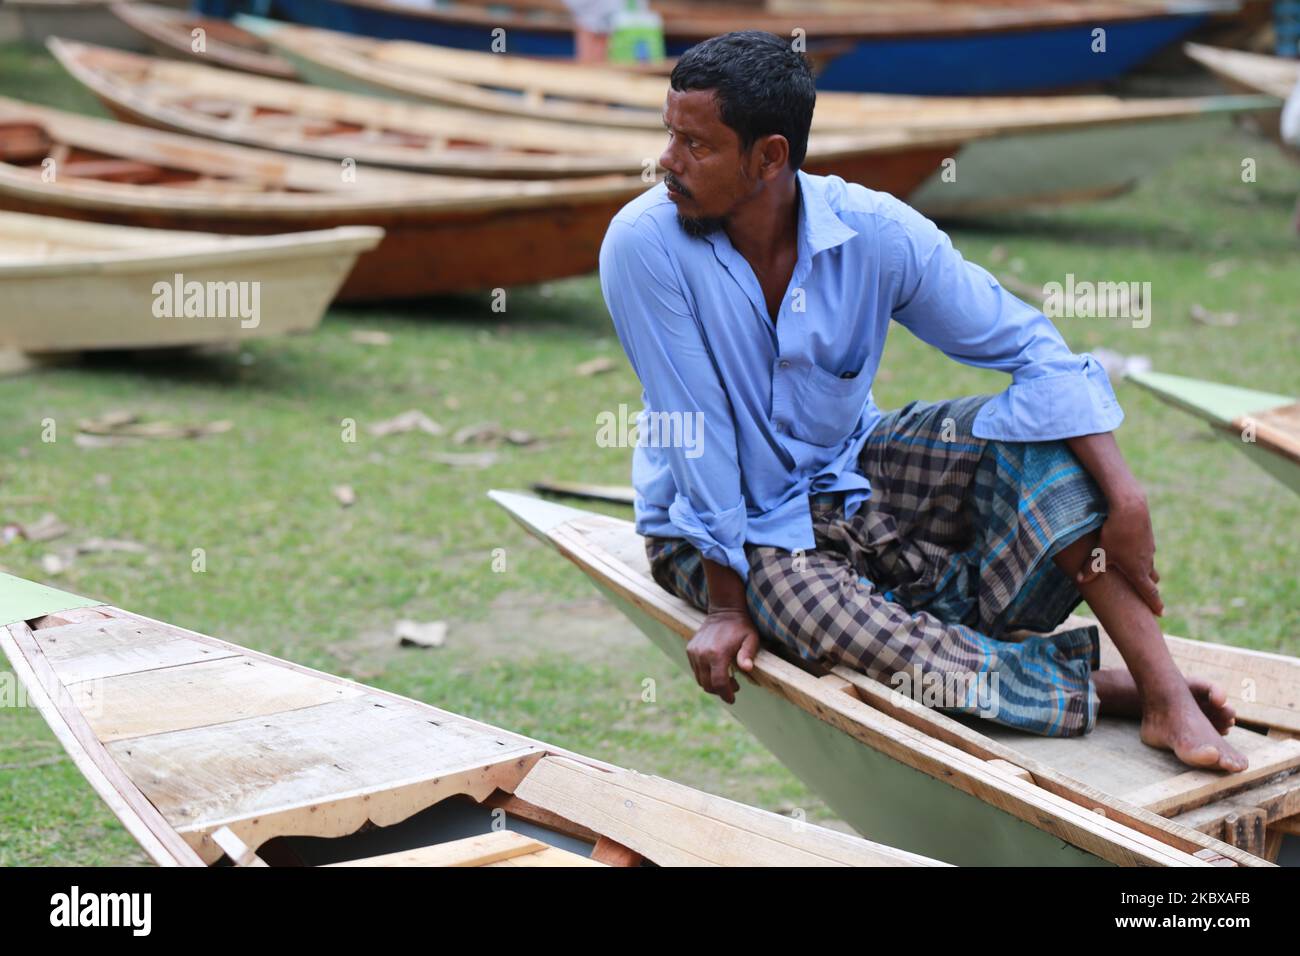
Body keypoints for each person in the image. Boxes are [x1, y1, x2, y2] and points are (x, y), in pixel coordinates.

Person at [598, 31, 1247, 772]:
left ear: (770, 156)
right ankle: (1097, 686)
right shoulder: (643, 244)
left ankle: (1166, 694)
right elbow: (697, 432)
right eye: (668, 136)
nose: (668, 163)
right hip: (719, 528)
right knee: (827, 616)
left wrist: (1125, 497)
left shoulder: (873, 231)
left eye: (695, 144)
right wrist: (725, 607)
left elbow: (1030, 348)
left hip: (845, 476)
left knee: (1038, 445)